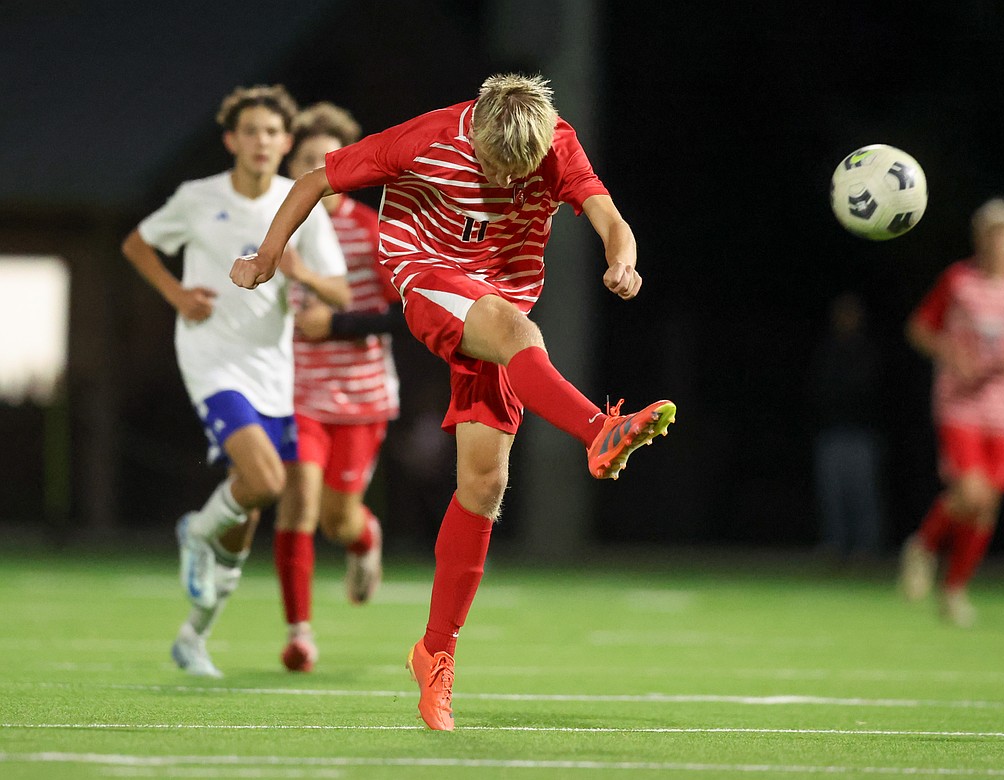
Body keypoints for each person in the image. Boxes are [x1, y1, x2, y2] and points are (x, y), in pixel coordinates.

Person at [229, 73, 676, 730]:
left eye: (519, 173)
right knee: (524, 333)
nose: (505, 183)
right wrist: (268, 256)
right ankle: (597, 430)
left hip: (498, 311)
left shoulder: (555, 143)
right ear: (477, 133)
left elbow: (608, 216)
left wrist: (622, 259)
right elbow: (315, 179)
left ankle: (434, 653)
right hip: (428, 277)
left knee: (485, 483)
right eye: (495, 168)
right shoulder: (427, 138)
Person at [121, 85, 350, 677]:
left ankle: (192, 638)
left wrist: (303, 276)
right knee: (265, 481)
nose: (261, 142)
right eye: (250, 131)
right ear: (231, 140)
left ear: (286, 142)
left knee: (242, 521)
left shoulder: (299, 202)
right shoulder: (199, 198)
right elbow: (137, 243)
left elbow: (342, 292)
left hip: (273, 370)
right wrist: (176, 294)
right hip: (212, 360)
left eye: (272, 132)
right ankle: (193, 529)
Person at [274, 102, 403, 672]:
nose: (318, 168)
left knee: (336, 520)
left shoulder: (372, 230)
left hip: (360, 395)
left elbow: (409, 315)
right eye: (307, 159)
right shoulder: (275, 223)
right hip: (294, 391)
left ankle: (363, 537)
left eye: (329, 160)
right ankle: (299, 633)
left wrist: (338, 324)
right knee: (298, 501)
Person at [897, 197, 1004, 627]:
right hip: (960, 404)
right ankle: (924, 548)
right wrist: (949, 351)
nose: (999, 243)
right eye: (991, 234)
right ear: (979, 239)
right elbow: (919, 328)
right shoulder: (958, 281)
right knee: (971, 492)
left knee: (986, 508)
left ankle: (953, 591)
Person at [808, 292, 885, 563]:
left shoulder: (868, 351)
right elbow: (817, 390)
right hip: (831, 432)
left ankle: (866, 548)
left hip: (861, 433)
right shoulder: (827, 350)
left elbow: (876, 392)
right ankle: (834, 545)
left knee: (863, 494)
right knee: (832, 496)